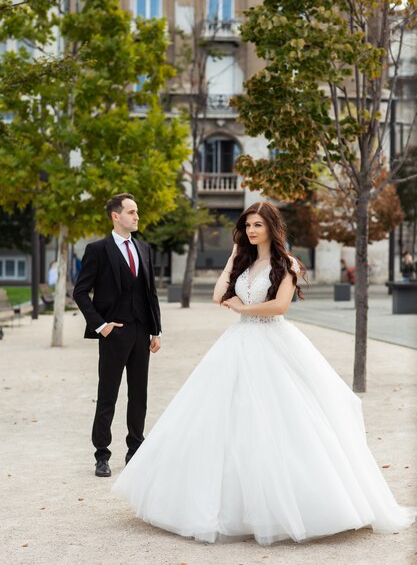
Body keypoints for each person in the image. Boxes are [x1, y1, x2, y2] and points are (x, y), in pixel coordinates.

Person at [113, 201, 416, 545]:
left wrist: (244, 307)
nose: (252, 231)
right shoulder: (244, 263)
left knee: (283, 419)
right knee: (226, 419)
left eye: (258, 225)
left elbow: (280, 306)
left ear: (272, 227)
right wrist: (231, 259)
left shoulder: (286, 264)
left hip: (273, 341)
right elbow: (217, 296)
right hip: (238, 342)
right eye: (248, 226)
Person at [73, 193, 161, 478]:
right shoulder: (98, 249)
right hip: (114, 334)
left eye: (137, 212)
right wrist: (101, 325)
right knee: (107, 395)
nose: (137, 217)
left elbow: (151, 292)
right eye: (132, 212)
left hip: (141, 333)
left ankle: (135, 449)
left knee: (139, 395)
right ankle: (102, 455)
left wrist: (156, 330)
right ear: (116, 216)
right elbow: (80, 291)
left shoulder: (144, 248)